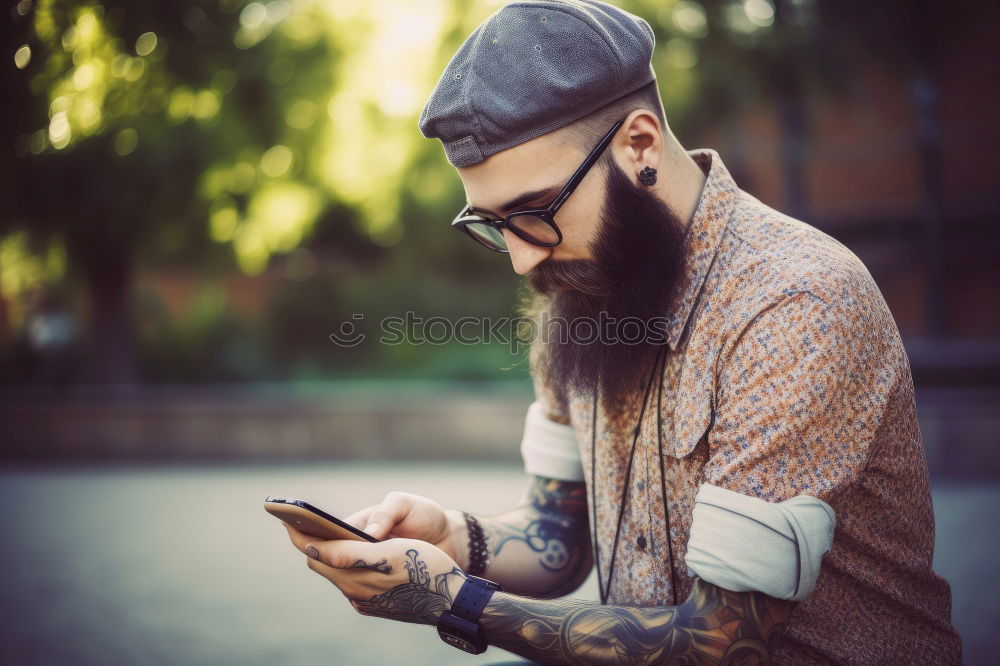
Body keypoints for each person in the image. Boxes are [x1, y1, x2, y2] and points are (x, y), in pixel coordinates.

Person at [281, 1, 962, 662]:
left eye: (532, 211)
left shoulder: (796, 301)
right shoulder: (577, 285)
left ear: (639, 144)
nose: (522, 258)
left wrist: (455, 601)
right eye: (492, 223)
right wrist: (455, 538)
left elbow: (723, 641)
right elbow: (557, 535)